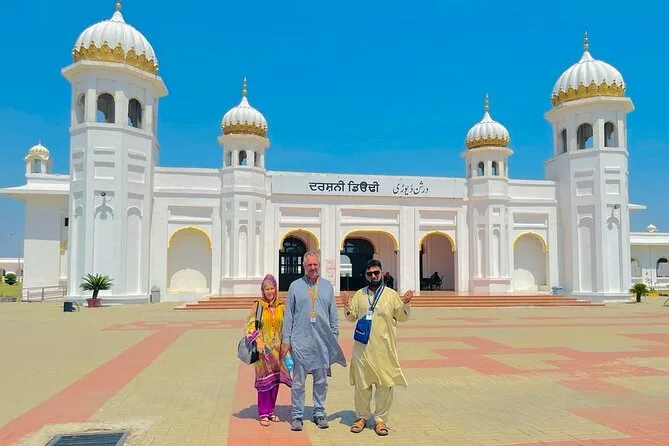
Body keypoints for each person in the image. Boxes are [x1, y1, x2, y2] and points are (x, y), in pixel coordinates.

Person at [341, 259, 414, 436]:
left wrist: (405, 302)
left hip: (384, 349)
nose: (373, 276)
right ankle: (361, 417)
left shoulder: (391, 295)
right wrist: (346, 305)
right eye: (370, 273)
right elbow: (351, 317)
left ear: (381, 273)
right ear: (366, 276)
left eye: (376, 272)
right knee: (362, 386)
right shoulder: (360, 295)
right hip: (363, 349)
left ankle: (380, 420)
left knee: (385, 386)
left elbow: (402, 317)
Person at [281, 251, 347, 431]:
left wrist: (334, 337)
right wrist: (286, 339)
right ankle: (297, 415)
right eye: (309, 265)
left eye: (315, 264)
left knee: (321, 381)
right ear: (304, 266)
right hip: (300, 340)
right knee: (298, 382)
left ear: (319, 265)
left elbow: (333, 314)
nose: (312, 268)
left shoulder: (327, 286)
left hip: (322, 342)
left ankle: (319, 412)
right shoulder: (295, 286)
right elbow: (288, 315)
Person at [244, 274, 292, 427]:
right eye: (267, 289)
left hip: (278, 351)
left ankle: (271, 411)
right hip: (263, 351)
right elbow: (250, 326)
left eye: (272, 288)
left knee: (275, 381)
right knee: (264, 382)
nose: (270, 292)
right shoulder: (258, 306)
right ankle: (263, 413)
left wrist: (288, 343)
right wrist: (258, 341)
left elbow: (288, 325)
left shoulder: (281, 306)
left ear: (276, 289)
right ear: (262, 291)